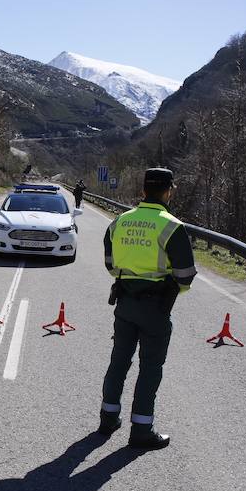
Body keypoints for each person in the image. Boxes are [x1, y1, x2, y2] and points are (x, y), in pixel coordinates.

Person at [99, 168, 196, 449]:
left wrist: (130, 277)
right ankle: (141, 429)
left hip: (125, 302)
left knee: (119, 361)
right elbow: (186, 274)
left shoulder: (119, 222)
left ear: (143, 191)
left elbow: (109, 263)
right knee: (150, 367)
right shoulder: (172, 226)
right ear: (168, 191)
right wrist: (172, 288)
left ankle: (108, 419)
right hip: (156, 306)